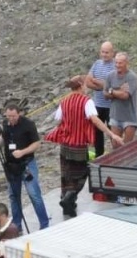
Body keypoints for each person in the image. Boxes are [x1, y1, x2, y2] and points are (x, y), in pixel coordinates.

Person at [46, 75, 121, 218]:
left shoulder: (64, 101)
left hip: (65, 145)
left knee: (66, 175)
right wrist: (111, 134)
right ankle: (70, 196)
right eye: (85, 85)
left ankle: (67, 204)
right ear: (81, 85)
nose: (87, 87)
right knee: (82, 174)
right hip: (79, 145)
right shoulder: (86, 102)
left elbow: (59, 121)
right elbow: (95, 120)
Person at [2, 101, 49, 232]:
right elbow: (3, 137)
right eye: (8, 116)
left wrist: (22, 152)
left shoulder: (28, 124)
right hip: (11, 165)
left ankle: (44, 224)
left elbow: (36, 144)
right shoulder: (5, 124)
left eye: (13, 116)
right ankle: (17, 225)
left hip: (27, 163)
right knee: (14, 196)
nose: (11, 119)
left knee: (34, 194)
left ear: (19, 114)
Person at [84, 41, 118, 158]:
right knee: (97, 132)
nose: (104, 54)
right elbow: (88, 82)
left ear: (112, 53)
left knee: (112, 131)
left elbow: (115, 85)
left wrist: (97, 82)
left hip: (111, 105)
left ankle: (117, 155)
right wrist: (103, 86)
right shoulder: (97, 64)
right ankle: (99, 155)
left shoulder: (116, 66)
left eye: (107, 52)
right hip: (97, 105)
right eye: (103, 52)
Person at [103, 52, 137, 145]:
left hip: (129, 118)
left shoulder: (132, 77)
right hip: (115, 116)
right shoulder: (110, 76)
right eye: (116, 62)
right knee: (115, 146)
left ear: (126, 63)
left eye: (120, 63)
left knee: (127, 146)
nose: (117, 65)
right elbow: (105, 94)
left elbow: (125, 96)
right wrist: (118, 91)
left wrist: (112, 91)